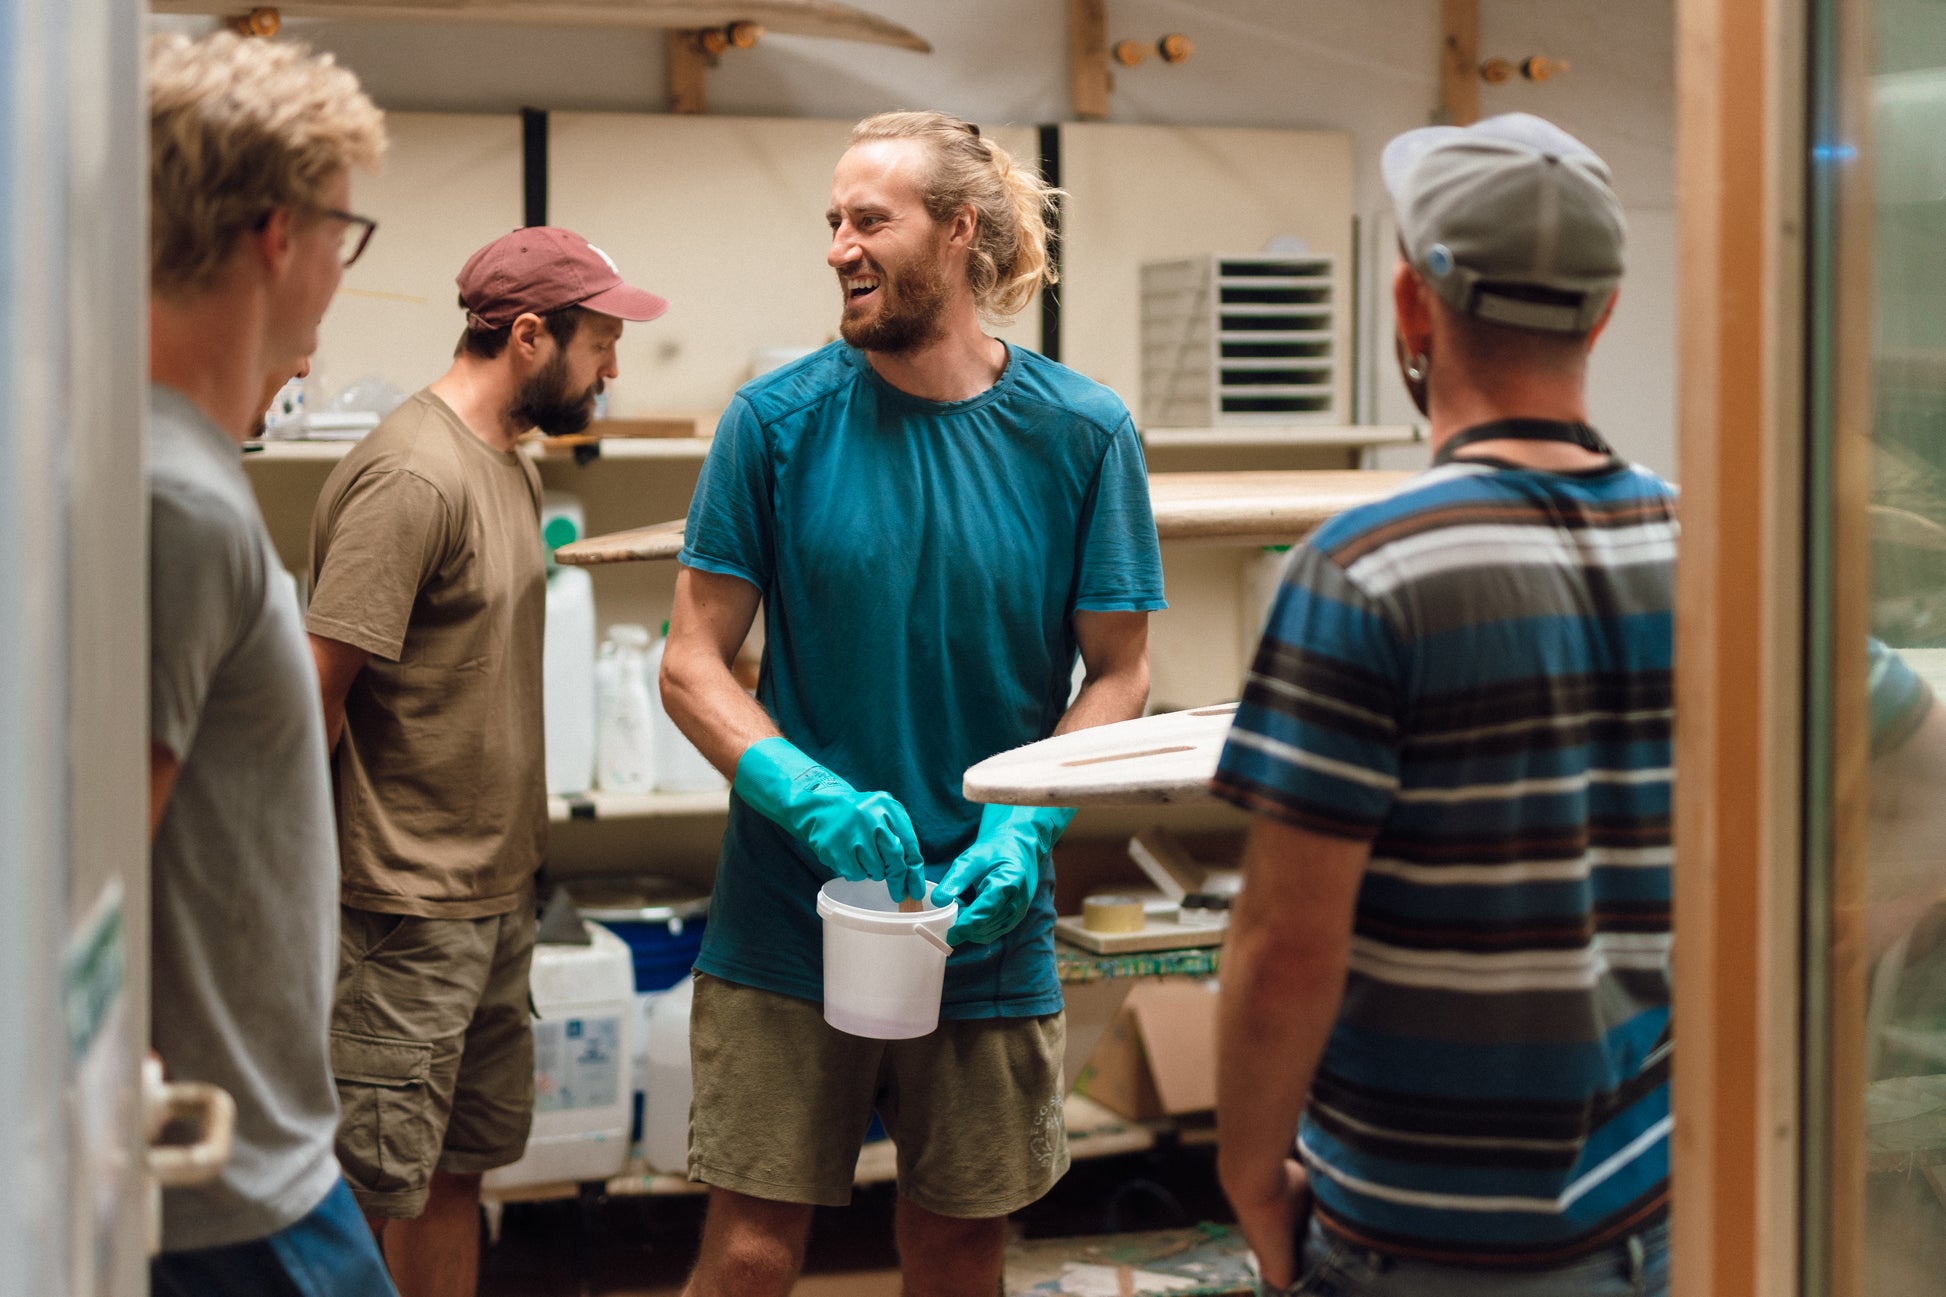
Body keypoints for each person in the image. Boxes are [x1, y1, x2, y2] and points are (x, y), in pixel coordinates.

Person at [660, 110, 1165, 1297]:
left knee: (955, 1245)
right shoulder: (772, 428)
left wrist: (1026, 821)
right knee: (748, 1248)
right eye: (831, 221)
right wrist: (807, 795)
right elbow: (692, 661)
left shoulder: (1080, 434)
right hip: (793, 912)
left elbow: (1122, 671)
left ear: (957, 231)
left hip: (982, 919)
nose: (839, 244)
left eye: (867, 219)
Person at [1212, 113, 1677, 1295]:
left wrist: (1250, 1174)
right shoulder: (1707, 540)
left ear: (1410, 307)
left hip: (1425, 1237)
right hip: (1654, 1204)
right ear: (1604, 310)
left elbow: (1282, 951)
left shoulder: (1367, 565)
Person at [304, 227, 668, 1297]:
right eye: (600, 341)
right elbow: (315, 697)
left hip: (495, 899)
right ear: (525, 337)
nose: (612, 368)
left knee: (460, 1173)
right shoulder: (410, 477)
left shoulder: (501, 464)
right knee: (369, 1189)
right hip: (402, 909)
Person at [145, 30, 395, 1297]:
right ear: (275, 235)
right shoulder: (169, 502)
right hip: (225, 1193)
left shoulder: (169, 471)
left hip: (234, 1163)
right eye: (345, 233)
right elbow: (90, 880)